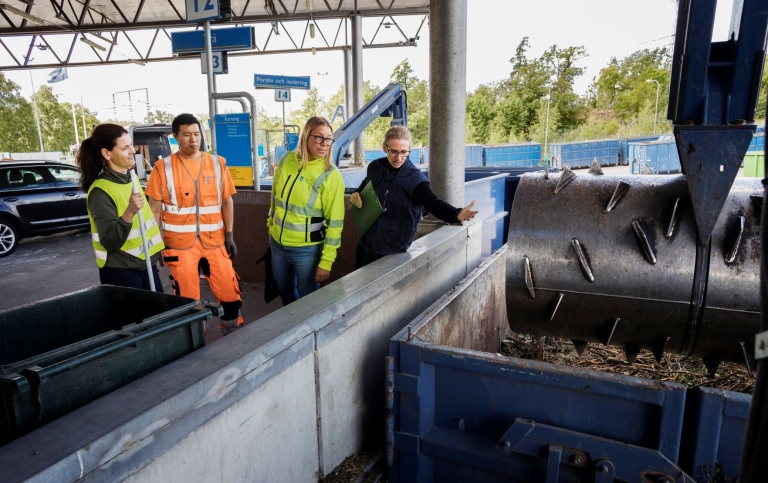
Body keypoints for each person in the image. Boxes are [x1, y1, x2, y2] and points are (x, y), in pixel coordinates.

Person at [145, 113, 243, 335]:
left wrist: (229, 235)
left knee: (229, 291)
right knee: (188, 299)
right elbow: (154, 210)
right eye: (187, 135)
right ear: (175, 137)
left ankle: (233, 332)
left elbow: (227, 202)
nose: (193, 140)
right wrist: (154, 243)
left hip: (216, 241)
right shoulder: (163, 168)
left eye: (197, 134)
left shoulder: (217, 163)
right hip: (179, 245)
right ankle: (196, 341)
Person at [350, 126, 479, 268]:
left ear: (409, 150)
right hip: (364, 239)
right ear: (385, 148)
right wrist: (357, 193)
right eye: (393, 151)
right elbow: (366, 184)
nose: (399, 158)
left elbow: (434, 203)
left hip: (389, 249)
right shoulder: (375, 167)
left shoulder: (416, 181)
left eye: (404, 152)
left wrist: (457, 214)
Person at [268, 116, 346, 305]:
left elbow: (335, 223)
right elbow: (274, 197)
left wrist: (326, 261)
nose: (324, 143)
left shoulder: (331, 175)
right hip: (278, 244)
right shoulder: (287, 160)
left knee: (308, 303)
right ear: (305, 136)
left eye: (328, 139)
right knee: (285, 294)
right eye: (319, 137)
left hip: (308, 251)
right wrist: (270, 225)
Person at [77, 123, 165, 290]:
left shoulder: (131, 179)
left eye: (131, 145)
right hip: (122, 272)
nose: (133, 150)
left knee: (158, 314)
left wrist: (154, 252)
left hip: (145, 263)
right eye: (125, 147)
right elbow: (109, 242)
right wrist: (129, 212)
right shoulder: (100, 191)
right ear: (106, 153)